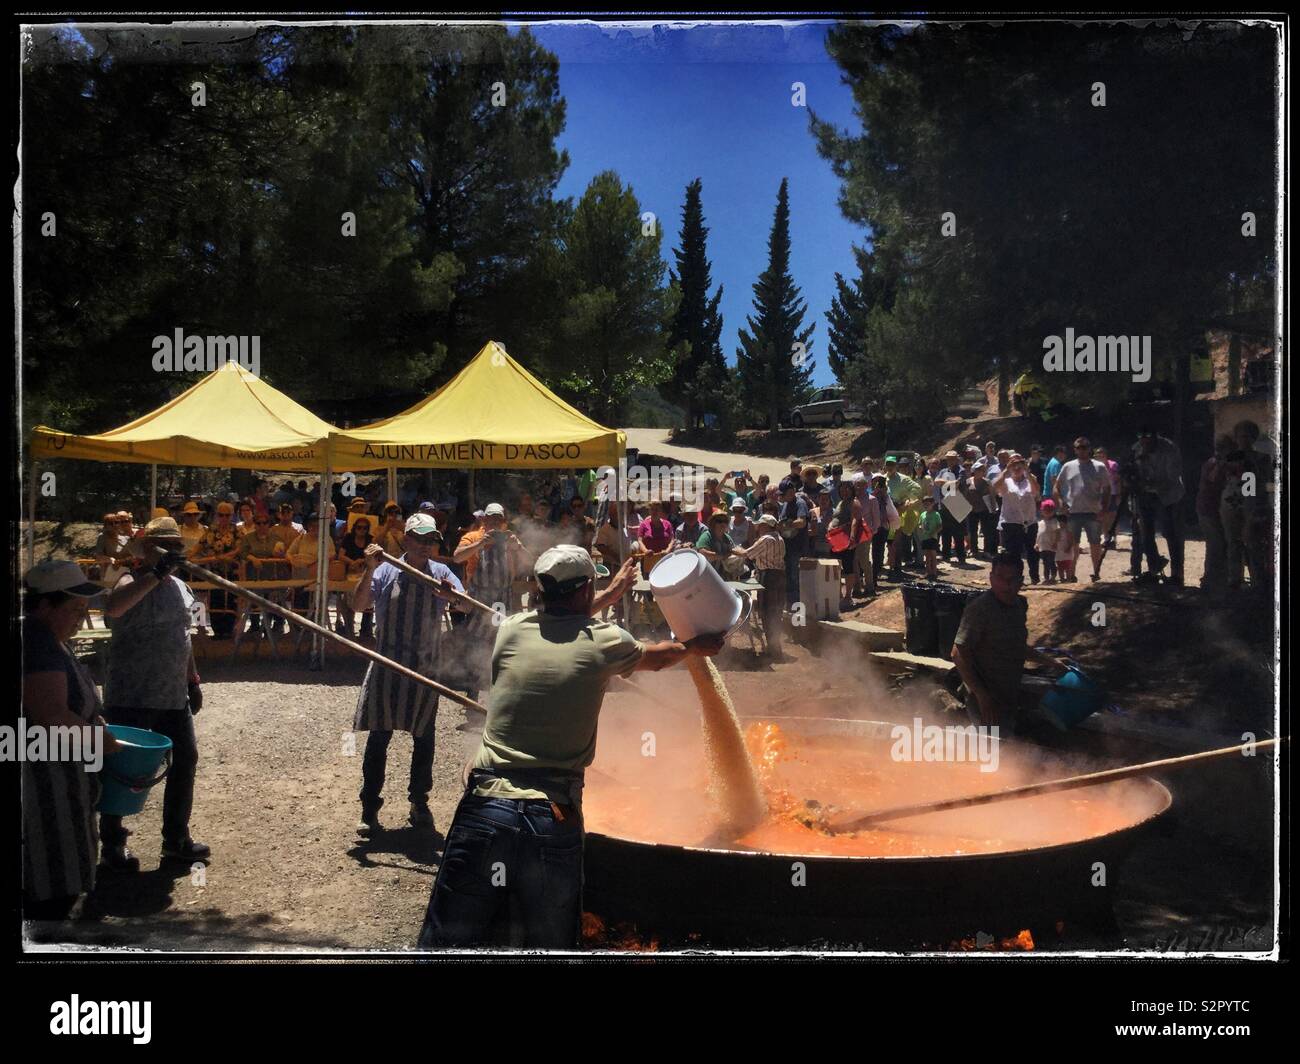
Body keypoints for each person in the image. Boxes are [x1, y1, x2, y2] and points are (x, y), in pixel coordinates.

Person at [417, 545, 720, 948]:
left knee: (447, 939)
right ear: (585, 591)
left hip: (485, 805)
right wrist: (695, 646)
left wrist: (609, 594)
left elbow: (560, 626)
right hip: (551, 814)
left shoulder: (511, 630)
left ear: (540, 591)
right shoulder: (605, 642)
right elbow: (660, 658)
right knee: (551, 943)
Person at [100, 517, 209, 868]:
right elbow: (114, 609)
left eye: (177, 546)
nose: (174, 551)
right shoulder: (130, 579)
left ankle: (176, 838)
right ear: (148, 549)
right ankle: (112, 845)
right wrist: (156, 574)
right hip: (131, 692)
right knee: (120, 767)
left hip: (172, 693)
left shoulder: (181, 586)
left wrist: (192, 679)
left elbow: (187, 633)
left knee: (185, 760)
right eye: (167, 545)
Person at [351, 514, 467, 835]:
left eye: (431, 541)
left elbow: (466, 606)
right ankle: (369, 807)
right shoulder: (386, 569)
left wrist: (452, 597)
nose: (426, 546)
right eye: (419, 539)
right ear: (407, 539)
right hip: (387, 665)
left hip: (425, 668)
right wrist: (369, 568)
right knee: (379, 737)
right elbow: (359, 605)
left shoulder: (441, 573)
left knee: (423, 738)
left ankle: (419, 803)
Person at [22, 561, 120, 919]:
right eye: (75, 609)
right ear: (45, 606)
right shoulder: (36, 643)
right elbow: (50, 716)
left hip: (61, 776)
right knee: (47, 886)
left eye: (85, 610)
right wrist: (105, 741)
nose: (82, 617)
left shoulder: (48, 638)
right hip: (41, 780)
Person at [950, 552, 1065, 735]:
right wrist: (981, 695)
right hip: (984, 697)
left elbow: (1016, 646)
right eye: (1000, 578)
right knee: (995, 750)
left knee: (1006, 743)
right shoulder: (980, 609)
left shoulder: (1019, 605)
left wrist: (1051, 662)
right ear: (990, 578)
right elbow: (958, 653)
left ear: (1021, 580)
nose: (1006, 584)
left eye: (1012, 579)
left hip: (1008, 693)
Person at [453, 502, 528, 703]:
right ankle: (473, 690)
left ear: (503, 522)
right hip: (479, 598)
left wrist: (518, 548)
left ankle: (499, 689)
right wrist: (479, 544)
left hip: (502, 599)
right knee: (476, 641)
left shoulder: (509, 539)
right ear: (484, 520)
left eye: (498, 519)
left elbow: (529, 563)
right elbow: (457, 557)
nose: (494, 523)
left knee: (500, 642)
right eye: (491, 519)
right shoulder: (474, 537)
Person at [1052, 437, 1111, 583]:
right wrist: (1060, 502)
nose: (1081, 450)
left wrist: (1104, 507)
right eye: (1078, 448)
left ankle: (1096, 572)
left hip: (1093, 511)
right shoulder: (1068, 466)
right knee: (1073, 544)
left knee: (1095, 543)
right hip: (1074, 511)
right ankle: (1071, 574)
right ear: (1075, 449)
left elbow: (1107, 488)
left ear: (1089, 448)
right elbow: (1056, 486)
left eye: (1084, 447)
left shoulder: (1099, 467)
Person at [1132, 429, 1186, 586]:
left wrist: (1150, 483)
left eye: (1147, 439)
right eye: (1141, 438)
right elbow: (1134, 470)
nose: (1144, 442)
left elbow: (1172, 477)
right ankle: (1154, 568)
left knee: (1171, 533)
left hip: (1169, 496)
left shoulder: (1169, 448)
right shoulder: (1137, 448)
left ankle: (1177, 575)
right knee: (1145, 533)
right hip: (1146, 494)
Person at [735, 514, 786, 658]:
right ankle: (775, 646)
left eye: (760, 525)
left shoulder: (766, 539)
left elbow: (747, 554)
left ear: (765, 526)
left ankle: (773, 649)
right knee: (776, 611)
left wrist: (732, 550)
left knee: (767, 611)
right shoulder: (780, 539)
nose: (758, 528)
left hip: (769, 576)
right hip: (780, 576)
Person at [993, 453, 1041, 583]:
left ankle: (1035, 577)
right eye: (1013, 464)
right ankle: (1017, 578)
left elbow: (1036, 491)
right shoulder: (1006, 482)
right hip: (1011, 523)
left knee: (1032, 552)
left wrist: (1027, 472)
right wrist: (1005, 470)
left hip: (1029, 521)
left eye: (1019, 463)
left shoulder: (1030, 479)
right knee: (1013, 553)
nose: (1016, 467)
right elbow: (995, 487)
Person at [1196, 436, 1233, 594]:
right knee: (1215, 545)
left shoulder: (1218, 464)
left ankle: (1220, 580)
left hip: (1215, 508)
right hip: (1210, 508)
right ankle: (1211, 581)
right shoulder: (1214, 464)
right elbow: (1214, 482)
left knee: (1219, 545)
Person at [828, 480, 866, 604]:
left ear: (852, 490)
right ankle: (838, 594)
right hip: (836, 539)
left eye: (847, 489)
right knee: (836, 566)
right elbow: (835, 518)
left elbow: (855, 520)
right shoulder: (840, 503)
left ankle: (848, 596)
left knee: (848, 567)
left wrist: (852, 537)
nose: (844, 491)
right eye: (842, 489)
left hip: (846, 539)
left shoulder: (854, 502)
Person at [776, 480, 810, 606]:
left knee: (796, 577)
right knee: (788, 576)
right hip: (788, 547)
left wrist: (786, 525)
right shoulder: (786, 504)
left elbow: (802, 522)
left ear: (790, 492)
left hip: (798, 548)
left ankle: (797, 605)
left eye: (783, 494)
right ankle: (790, 603)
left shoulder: (800, 503)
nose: (781, 497)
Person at [695, 510, 738, 576]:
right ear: (713, 523)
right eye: (719, 521)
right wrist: (722, 556)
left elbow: (733, 550)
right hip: (708, 574)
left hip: (724, 574)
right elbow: (702, 552)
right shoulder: (706, 536)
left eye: (725, 521)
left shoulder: (727, 538)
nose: (722, 524)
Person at [916, 495, 943, 581]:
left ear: (932, 504)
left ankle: (934, 572)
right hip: (925, 537)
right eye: (924, 504)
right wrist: (920, 527)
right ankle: (928, 572)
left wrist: (934, 532)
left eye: (928, 504)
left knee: (933, 555)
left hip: (932, 537)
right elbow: (920, 523)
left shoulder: (936, 514)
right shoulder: (923, 514)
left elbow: (940, 526)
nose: (926, 506)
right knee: (927, 556)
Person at [1035, 499, 1061, 583]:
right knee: (1045, 562)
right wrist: (1036, 543)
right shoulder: (1040, 522)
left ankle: (1053, 575)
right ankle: (1046, 577)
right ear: (1042, 511)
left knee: (1051, 561)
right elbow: (1038, 534)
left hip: (1051, 546)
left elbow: (1057, 533)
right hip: (1043, 546)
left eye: (1049, 511)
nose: (1047, 512)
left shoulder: (1054, 522)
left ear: (1053, 512)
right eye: (1045, 510)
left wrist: (1056, 542)